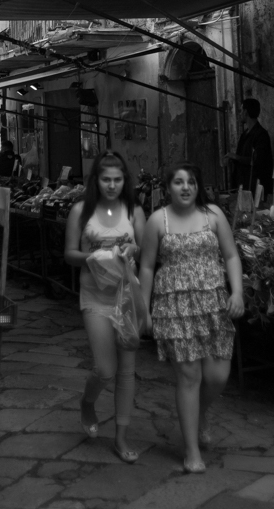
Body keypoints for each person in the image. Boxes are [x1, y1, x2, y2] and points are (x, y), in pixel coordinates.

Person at [139, 162, 244, 474]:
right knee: (189, 377)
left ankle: (198, 414)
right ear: (168, 188)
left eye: (191, 182)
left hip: (213, 305)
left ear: (198, 187)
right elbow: (146, 267)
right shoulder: (157, 220)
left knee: (218, 376)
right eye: (179, 182)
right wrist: (144, 309)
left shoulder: (214, 215)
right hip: (173, 307)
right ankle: (191, 451)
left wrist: (237, 292)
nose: (186, 188)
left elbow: (231, 255)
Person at [65, 151, 146, 463]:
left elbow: (144, 249)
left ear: (125, 181)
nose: (112, 185)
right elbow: (69, 253)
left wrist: (132, 249)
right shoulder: (81, 211)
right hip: (95, 298)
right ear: (95, 181)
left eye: (117, 179)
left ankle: (121, 438)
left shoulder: (134, 210)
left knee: (127, 371)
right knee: (105, 369)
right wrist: (93, 257)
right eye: (106, 179)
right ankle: (87, 402)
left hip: (126, 298)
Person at [225, 98, 273, 195]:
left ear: (245, 112)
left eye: (241, 111)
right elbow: (242, 158)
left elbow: (258, 161)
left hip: (255, 188)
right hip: (243, 186)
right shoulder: (245, 135)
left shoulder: (261, 135)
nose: (239, 114)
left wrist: (236, 157)